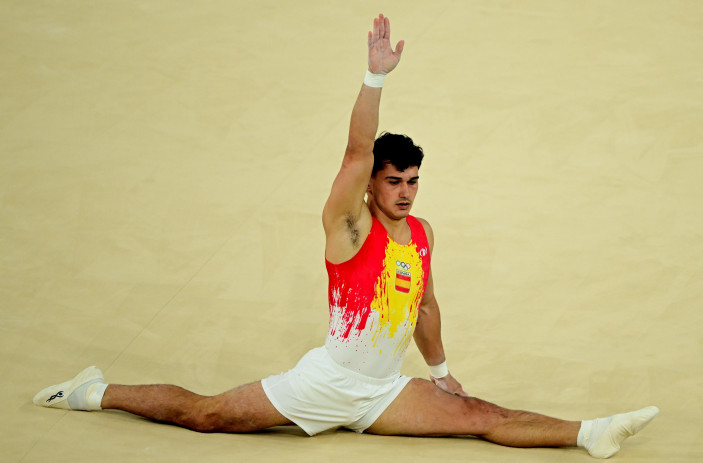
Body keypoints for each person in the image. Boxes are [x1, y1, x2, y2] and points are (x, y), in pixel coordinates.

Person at [33, 14, 658, 459]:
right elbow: (357, 148)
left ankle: (589, 432)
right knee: (208, 414)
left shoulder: (421, 233)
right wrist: (375, 78)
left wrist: (440, 373)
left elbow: (427, 307)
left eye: (413, 180)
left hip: (382, 393)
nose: (407, 192)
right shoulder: (350, 225)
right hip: (323, 383)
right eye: (394, 182)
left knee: (479, 416)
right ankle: (94, 390)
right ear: (371, 186)